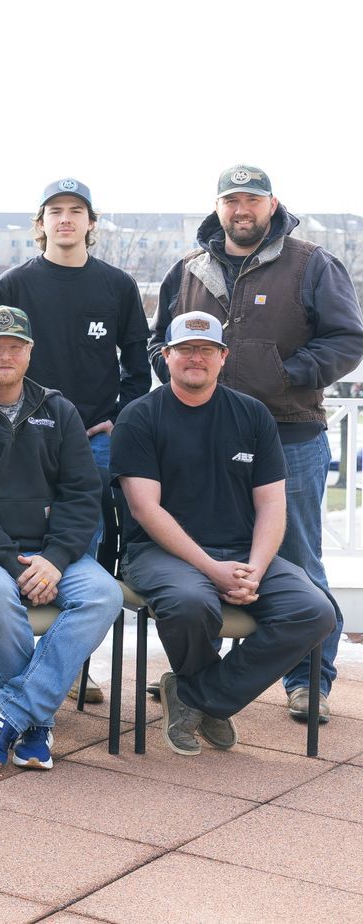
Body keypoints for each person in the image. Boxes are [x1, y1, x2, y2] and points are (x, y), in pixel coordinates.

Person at [152, 166, 363, 723]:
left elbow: (347, 339)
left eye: (252, 199)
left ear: (272, 204)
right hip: (203, 438)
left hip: (287, 432)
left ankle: (309, 680)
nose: (241, 209)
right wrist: (175, 377)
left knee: (296, 562)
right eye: (231, 200)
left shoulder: (311, 262)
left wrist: (286, 374)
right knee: (209, 557)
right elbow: (159, 342)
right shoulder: (188, 269)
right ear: (218, 207)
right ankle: (204, 677)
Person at [116, 311, 336, 755]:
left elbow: (273, 504)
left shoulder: (252, 415)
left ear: (222, 357)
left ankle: (200, 697)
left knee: (315, 611)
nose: (195, 358)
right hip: (160, 553)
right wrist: (213, 570)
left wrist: (254, 569)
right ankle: (209, 698)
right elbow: (144, 508)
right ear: (166, 356)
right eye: (184, 349)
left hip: (240, 551)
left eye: (206, 350)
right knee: (191, 602)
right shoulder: (139, 417)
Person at [0, 306, 122, 771]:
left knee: (103, 595)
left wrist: (53, 559)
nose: (6, 355)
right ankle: (36, 723)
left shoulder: (59, 410)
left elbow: (81, 493)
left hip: (49, 550)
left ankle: (12, 710)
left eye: (16, 346)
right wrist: (17, 566)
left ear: (31, 352)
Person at [0, 177, 150, 706]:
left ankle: (72, 664)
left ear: (91, 223)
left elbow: (138, 363)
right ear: (41, 223)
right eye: (55, 210)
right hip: (23, 435)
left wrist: (119, 417)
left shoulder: (117, 286)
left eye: (75, 211)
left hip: (95, 438)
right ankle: (2, 661)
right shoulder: (16, 283)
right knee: (15, 538)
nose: (65, 219)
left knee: (83, 547)